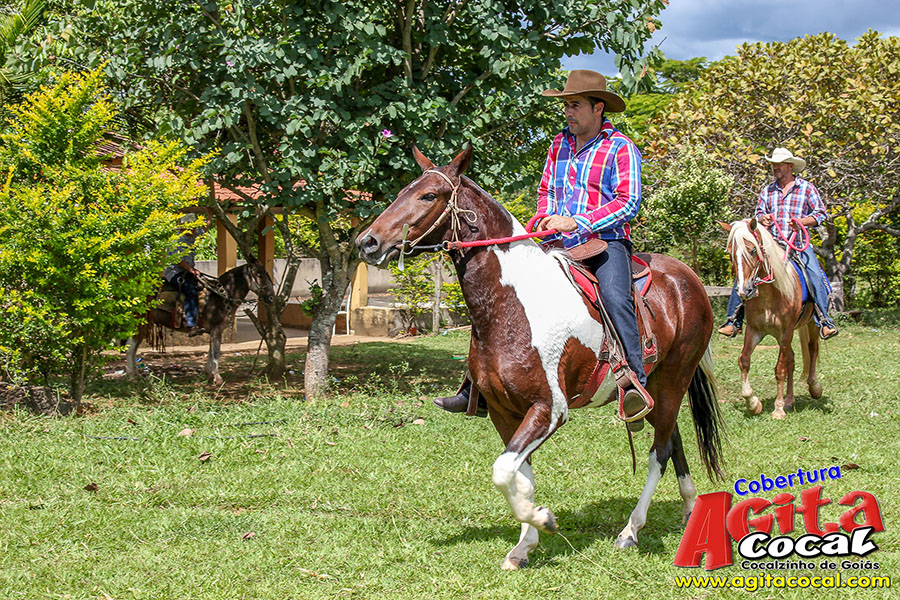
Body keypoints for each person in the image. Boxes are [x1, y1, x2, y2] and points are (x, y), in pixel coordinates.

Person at [434, 69, 651, 428]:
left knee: (615, 297)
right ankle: (475, 387)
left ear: (598, 108)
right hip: (557, 244)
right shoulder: (558, 144)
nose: (568, 112)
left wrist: (577, 222)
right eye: (566, 105)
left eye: (575, 105)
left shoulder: (621, 148)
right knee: (500, 295)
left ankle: (635, 385)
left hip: (604, 242)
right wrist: (544, 217)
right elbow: (546, 192)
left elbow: (628, 202)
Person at [717, 148, 837, 340]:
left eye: (779, 164)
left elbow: (821, 214)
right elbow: (758, 213)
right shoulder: (768, 191)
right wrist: (762, 219)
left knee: (815, 274)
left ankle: (824, 320)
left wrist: (803, 222)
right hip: (772, 246)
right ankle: (733, 320)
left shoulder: (806, 188)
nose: (775, 168)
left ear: (790, 166)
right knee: (745, 270)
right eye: (774, 165)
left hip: (798, 244)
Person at [164, 215, 206, 336]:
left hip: (187, 271)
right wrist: (191, 270)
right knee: (190, 291)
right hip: (175, 272)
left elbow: (205, 229)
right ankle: (191, 324)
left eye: (194, 227)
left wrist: (209, 213)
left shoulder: (192, 236)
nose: (193, 230)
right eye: (191, 227)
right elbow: (178, 260)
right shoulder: (176, 240)